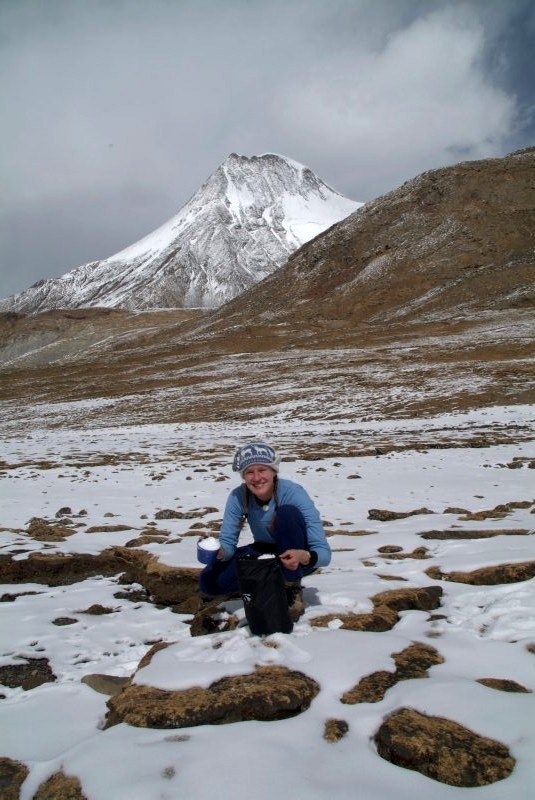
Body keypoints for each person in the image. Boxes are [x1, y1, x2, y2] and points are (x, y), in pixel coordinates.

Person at [199, 441, 331, 620]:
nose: (256, 478)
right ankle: (269, 581)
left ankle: (291, 586)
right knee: (209, 581)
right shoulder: (238, 496)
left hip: (297, 556)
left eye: (262, 470)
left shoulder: (293, 493)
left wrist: (303, 556)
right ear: (243, 476)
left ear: (274, 471)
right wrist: (219, 551)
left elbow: (324, 554)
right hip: (264, 551)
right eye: (249, 472)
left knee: (287, 513)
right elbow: (228, 544)